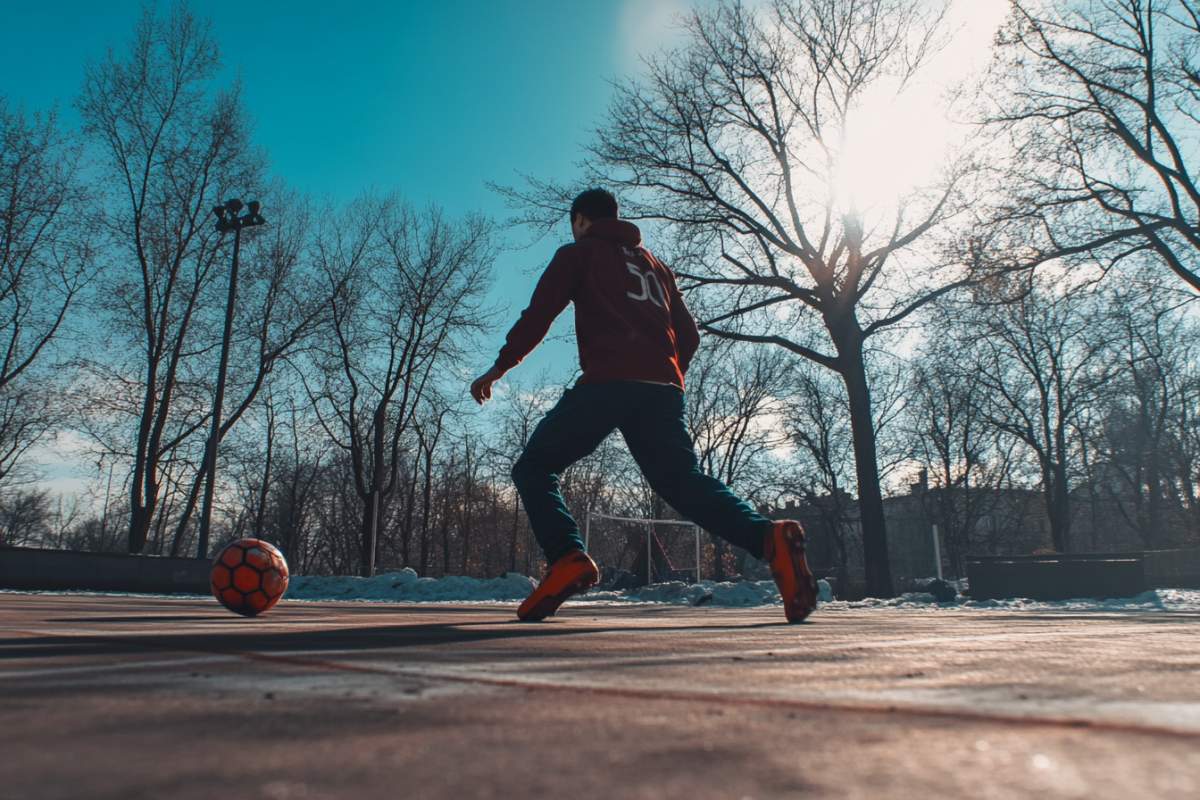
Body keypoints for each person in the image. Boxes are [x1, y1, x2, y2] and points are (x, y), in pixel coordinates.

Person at [470, 189, 816, 623]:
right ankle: (769, 539)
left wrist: (498, 368)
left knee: (534, 468)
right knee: (682, 482)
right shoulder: (657, 266)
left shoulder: (580, 252)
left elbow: (539, 314)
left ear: (580, 220)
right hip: (662, 390)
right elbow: (688, 337)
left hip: (608, 382)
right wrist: (667, 379)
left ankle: (567, 557)